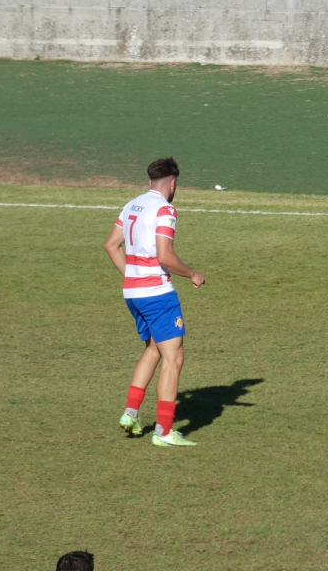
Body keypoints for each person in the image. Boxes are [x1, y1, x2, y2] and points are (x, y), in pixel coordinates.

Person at [103, 157, 205, 447]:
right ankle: (163, 432)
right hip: (157, 295)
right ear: (173, 183)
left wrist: (133, 275)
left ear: (151, 181)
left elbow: (110, 245)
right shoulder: (165, 209)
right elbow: (165, 256)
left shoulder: (132, 204)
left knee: (153, 350)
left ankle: (131, 414)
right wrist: (192, 274)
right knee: (174, 358)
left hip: (133, 293)